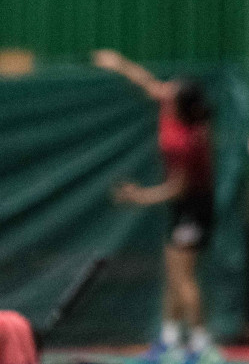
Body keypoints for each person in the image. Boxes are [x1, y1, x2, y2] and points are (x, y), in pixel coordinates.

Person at [92, 51, 220, 364]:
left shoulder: (184, 142)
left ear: (180, 103)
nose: (166, 88)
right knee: (174, 273)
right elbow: (148, 82)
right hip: (183, 207)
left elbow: (177, 188)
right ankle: (169, 341)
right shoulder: (171, 106)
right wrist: (118, 63)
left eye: (172, 89)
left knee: (184, 277)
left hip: (194, 207)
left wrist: (138, 196)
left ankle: (203, 347)